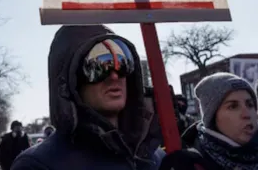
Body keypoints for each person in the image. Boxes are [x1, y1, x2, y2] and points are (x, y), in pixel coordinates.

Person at [11, 25, 164, 170]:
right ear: (69, 82)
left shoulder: (158, 158)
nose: (114, 76)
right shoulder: (38, 165)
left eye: (123, 63)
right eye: (98, 66)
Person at [161, 72, 258, 170]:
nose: (246, 114)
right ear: (213, 118)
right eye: (233, 106)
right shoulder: (189, 164)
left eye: (250, 104)